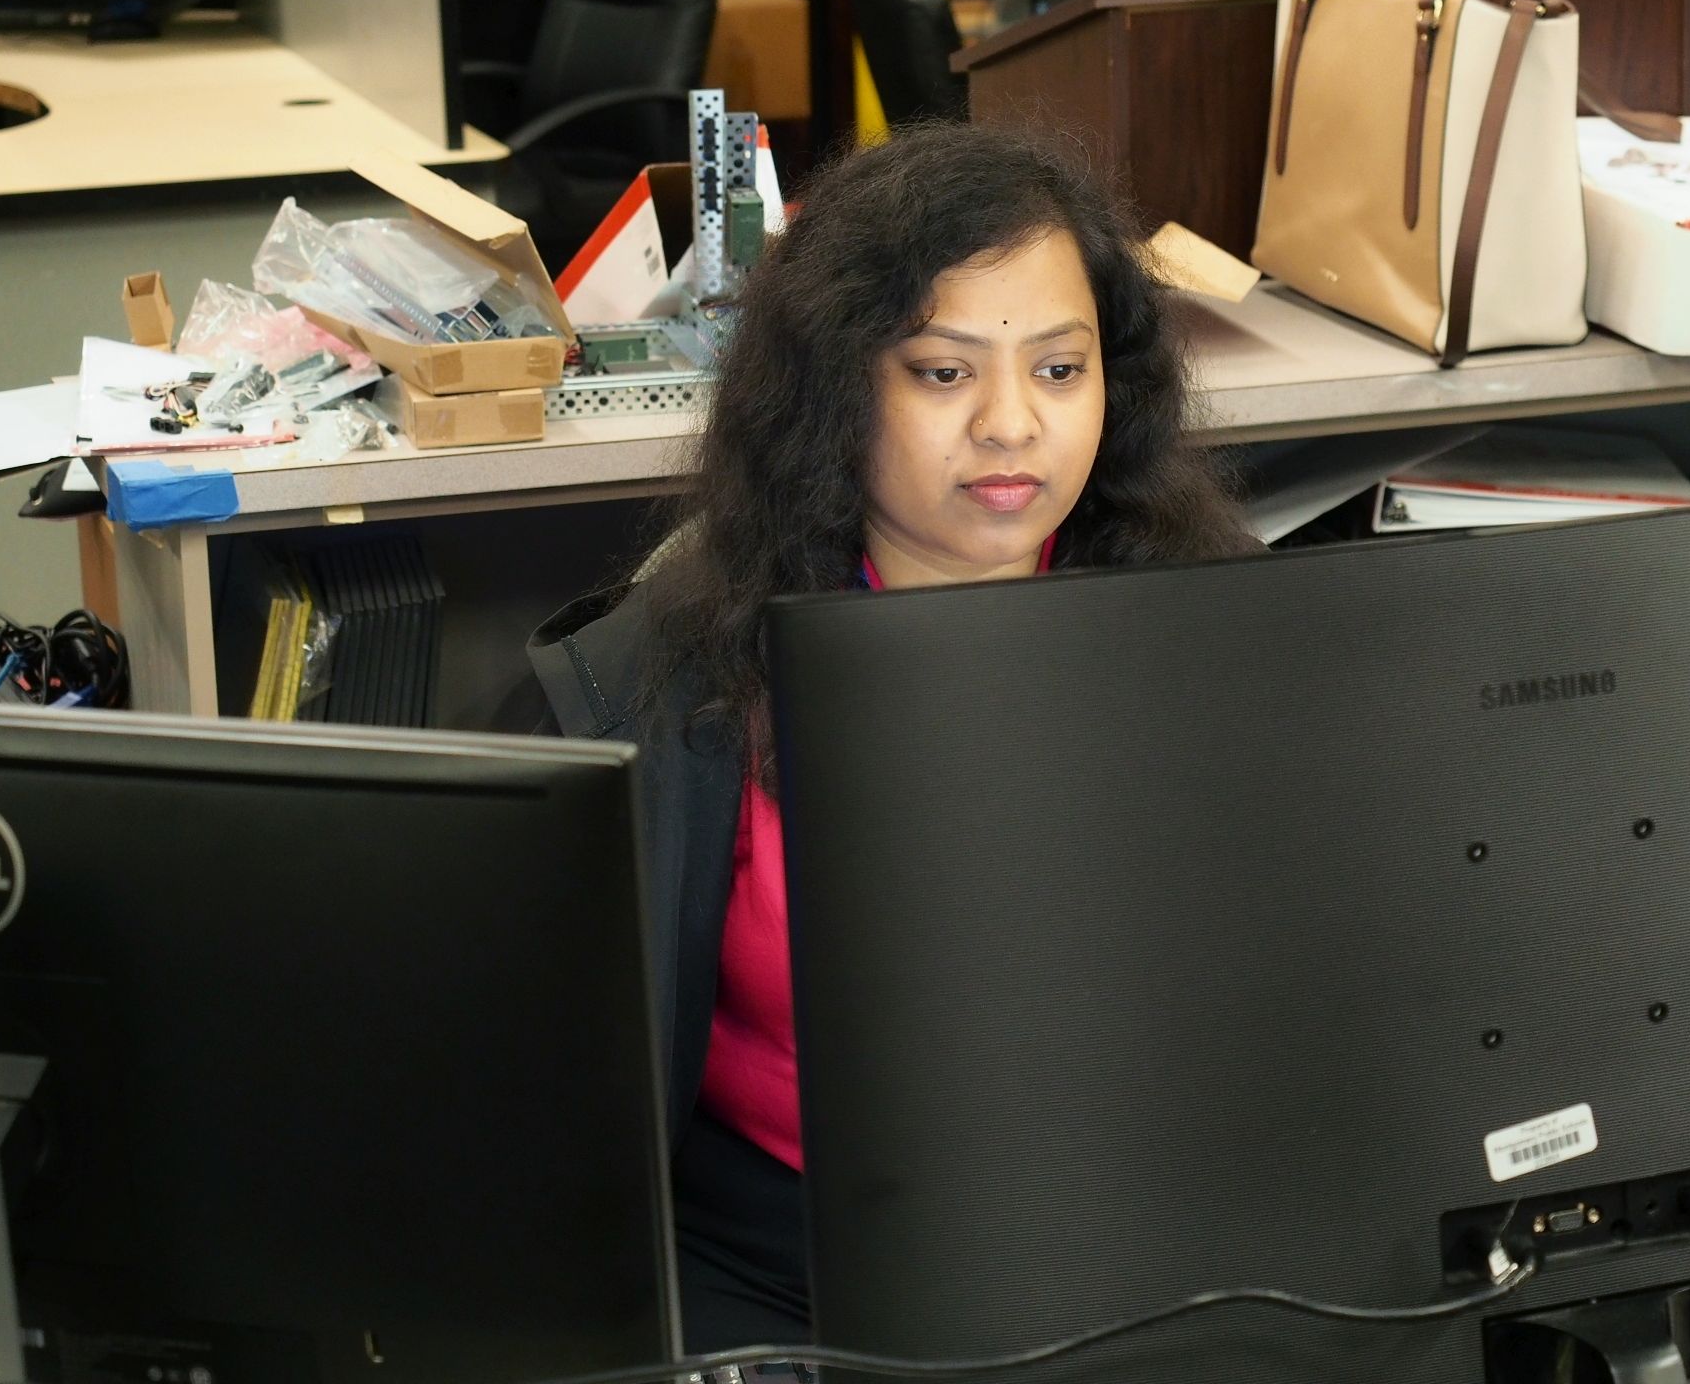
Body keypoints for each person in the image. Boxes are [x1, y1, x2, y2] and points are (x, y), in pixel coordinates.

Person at [528, 122, 1257, 1351]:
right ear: (835, 388)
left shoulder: (1219, 629)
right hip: (777, 1259)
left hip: (1137, 1236)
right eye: (941, 372)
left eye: (1058, 369)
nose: (1011, 425)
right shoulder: (672, 676)